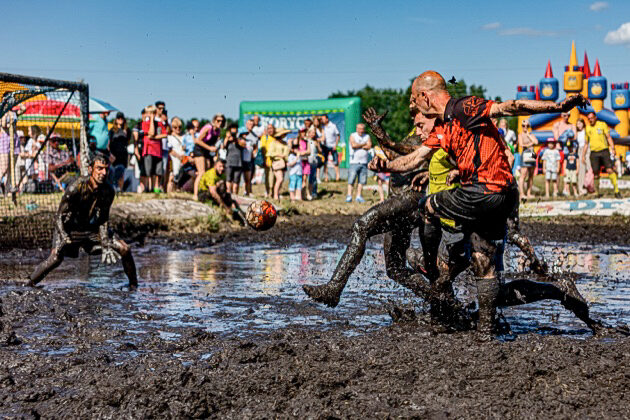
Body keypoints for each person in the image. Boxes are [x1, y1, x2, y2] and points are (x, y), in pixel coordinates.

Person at [370, 70, 588, 338]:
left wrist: (557, 106)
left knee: (428, 207)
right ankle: (490, 328)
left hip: (483, 191)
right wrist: (386, 166)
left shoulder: (464, 107)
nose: (416, 117)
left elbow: (511, 106)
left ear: (426, 97)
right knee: (483, 264)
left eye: (415, 103)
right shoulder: (443, 128)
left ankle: (433, 273)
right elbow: (414, 158)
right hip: (496, 195)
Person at [28, 152, 138, 289]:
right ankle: (29, 284)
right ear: (91, 169)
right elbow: (59, 217)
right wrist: (64, 236)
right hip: (68, 228)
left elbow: (104, 219)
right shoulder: (76, 187)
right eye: (99, 168)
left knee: (124, 248)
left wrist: (105, 242)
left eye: (106, 169)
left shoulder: (108, 191)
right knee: (55, 258)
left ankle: (134, 286)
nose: (103, 173)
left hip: (91, 229)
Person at [581, 112, 619, 198]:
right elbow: (586, 143)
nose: (590, 120)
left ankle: (617, 191)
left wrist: (613, 148)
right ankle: (597, 193)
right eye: (589, 119)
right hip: (594, 153)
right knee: (596, 174)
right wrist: (583, 155)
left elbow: (608, 137)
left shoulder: (602, 125)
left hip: (604, 151)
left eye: (592, 118)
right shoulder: (587, 128)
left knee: (609, 170)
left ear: (595, 117)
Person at [198, 159, 245, 224]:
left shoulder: (223, 174)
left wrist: (230, 202)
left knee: (230, 198)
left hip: (216, 192)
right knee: (219, 201)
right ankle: (225, 213)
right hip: (204, 194)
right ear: (215, 166)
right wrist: (225, 207)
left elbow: (225, 189)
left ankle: (240, 218)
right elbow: (213, 192)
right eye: (220, 166)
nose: (222, 168)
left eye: (223, 166)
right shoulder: (211, 174)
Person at [192, 114, 224, 201]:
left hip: (207, 152)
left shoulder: (218, 131)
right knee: (201, 172)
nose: (220, 123)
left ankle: (204, 192)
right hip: (199, 150)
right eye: (218, 121)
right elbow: (197, 140)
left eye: (222, 121)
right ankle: (195, 194)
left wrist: (215, 153)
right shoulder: (208, 128)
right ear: (214, 120)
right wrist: (209, 148)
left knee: (207, 172)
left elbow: (215, 144)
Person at [346, 123, 371, 203]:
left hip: (364, 162)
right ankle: (349, 196)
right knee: (351, 180)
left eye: (362, 129)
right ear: (357, 128)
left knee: (362, 181)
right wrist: (364, 144)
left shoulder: (367, 136)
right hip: (354, 162)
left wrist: (359, 145)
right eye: (359, 128)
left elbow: (369, 146)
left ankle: (359, 196)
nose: (361, 130)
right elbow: (353, 145)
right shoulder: (353, 135)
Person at [108, 112, 130, 192]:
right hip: (114, 154)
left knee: (122, 172)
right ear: (116, 119)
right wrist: (110, 153)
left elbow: (127, 141)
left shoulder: (127, 130)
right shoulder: (112, 130)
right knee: (113, 171)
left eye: (121, 118)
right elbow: (109, 142)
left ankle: (120, 190)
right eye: (118, 118)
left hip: (123, 154)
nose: (120, 120)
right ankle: (112, 189)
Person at [267, 128, 290, 200]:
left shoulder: (285, 143)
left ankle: (277, 193)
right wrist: (279, 155)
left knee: (281, 180)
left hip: (284, 163)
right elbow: (270, 153)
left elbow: (287, 153)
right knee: (279, 179)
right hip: (277, 163)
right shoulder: (273, 143)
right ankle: (275, 195)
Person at [518, 120, 538, 199]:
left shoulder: (530, 134)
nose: (525, 127)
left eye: (527, 126)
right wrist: (530, 144)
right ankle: (521, 194)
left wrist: (528, 135)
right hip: (525, 154)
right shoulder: (520, 135)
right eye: (523, 125)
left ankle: (529, 193)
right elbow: (521, 145)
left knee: (531, 175)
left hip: (532, 154)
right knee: (523, 174)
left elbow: (536, 142)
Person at [166, 117, 187, 193]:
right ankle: (169, 192)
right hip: (174, 159)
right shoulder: (169, 137)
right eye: (175, 127)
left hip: (183, 159)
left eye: (179, 127)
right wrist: (178, 156)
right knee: (172, 176)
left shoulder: (184, 136)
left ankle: (176, 191)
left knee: (180, 177)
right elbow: (169, 150)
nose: (178, 129)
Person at [319, 114, 341, 182]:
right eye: (321, 119)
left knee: (335, 162)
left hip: (332, 146)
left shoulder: (333, 126)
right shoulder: (321, 127)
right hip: (325, 146)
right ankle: (326, 177)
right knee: (325, 162)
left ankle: (337, 176)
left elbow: (338, 135)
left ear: (327, 119)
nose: (322, 120)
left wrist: (336, 145)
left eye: (323, 119)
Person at [224, 126, 245, 195]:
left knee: (236, 180)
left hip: (238, 163)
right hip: (229, 162)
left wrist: (236, 139)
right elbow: (224, 146)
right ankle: (228, 194)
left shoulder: (240, 139)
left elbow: (243, 145)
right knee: (228, 179)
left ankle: (235, 194)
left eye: (234, 131)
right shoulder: (228, 140)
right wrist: (227, 138)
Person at [259, 124, 277, 198]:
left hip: (276, 161)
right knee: (268, 177)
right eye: (268, 128)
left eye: (271, 128)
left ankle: (273, 191)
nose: (270, 130)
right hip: (267, 160)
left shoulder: (276, 138)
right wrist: (265, 159)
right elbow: (263, 149)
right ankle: (268, 192)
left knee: (274, 177)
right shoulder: (264, 137)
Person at [243, 119, 259, 196]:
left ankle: (249, 191)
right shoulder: (241, 133)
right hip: (241, 158)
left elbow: (256, 147)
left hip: (250, 159)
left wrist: (254, 153)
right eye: (249, 124)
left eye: (252, 125)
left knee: (249, 176)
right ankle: (243, 190)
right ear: (246, 124)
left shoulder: (255, 136)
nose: (250, 126)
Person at [575, 118, 588, 195]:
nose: (579, 125)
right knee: (581, 170)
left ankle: (588, 187)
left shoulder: (586, 131)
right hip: (580, 150)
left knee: (588, 169)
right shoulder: (577, 133)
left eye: (580, 123)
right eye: (577, 124)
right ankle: (580, 188)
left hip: (587, 149)